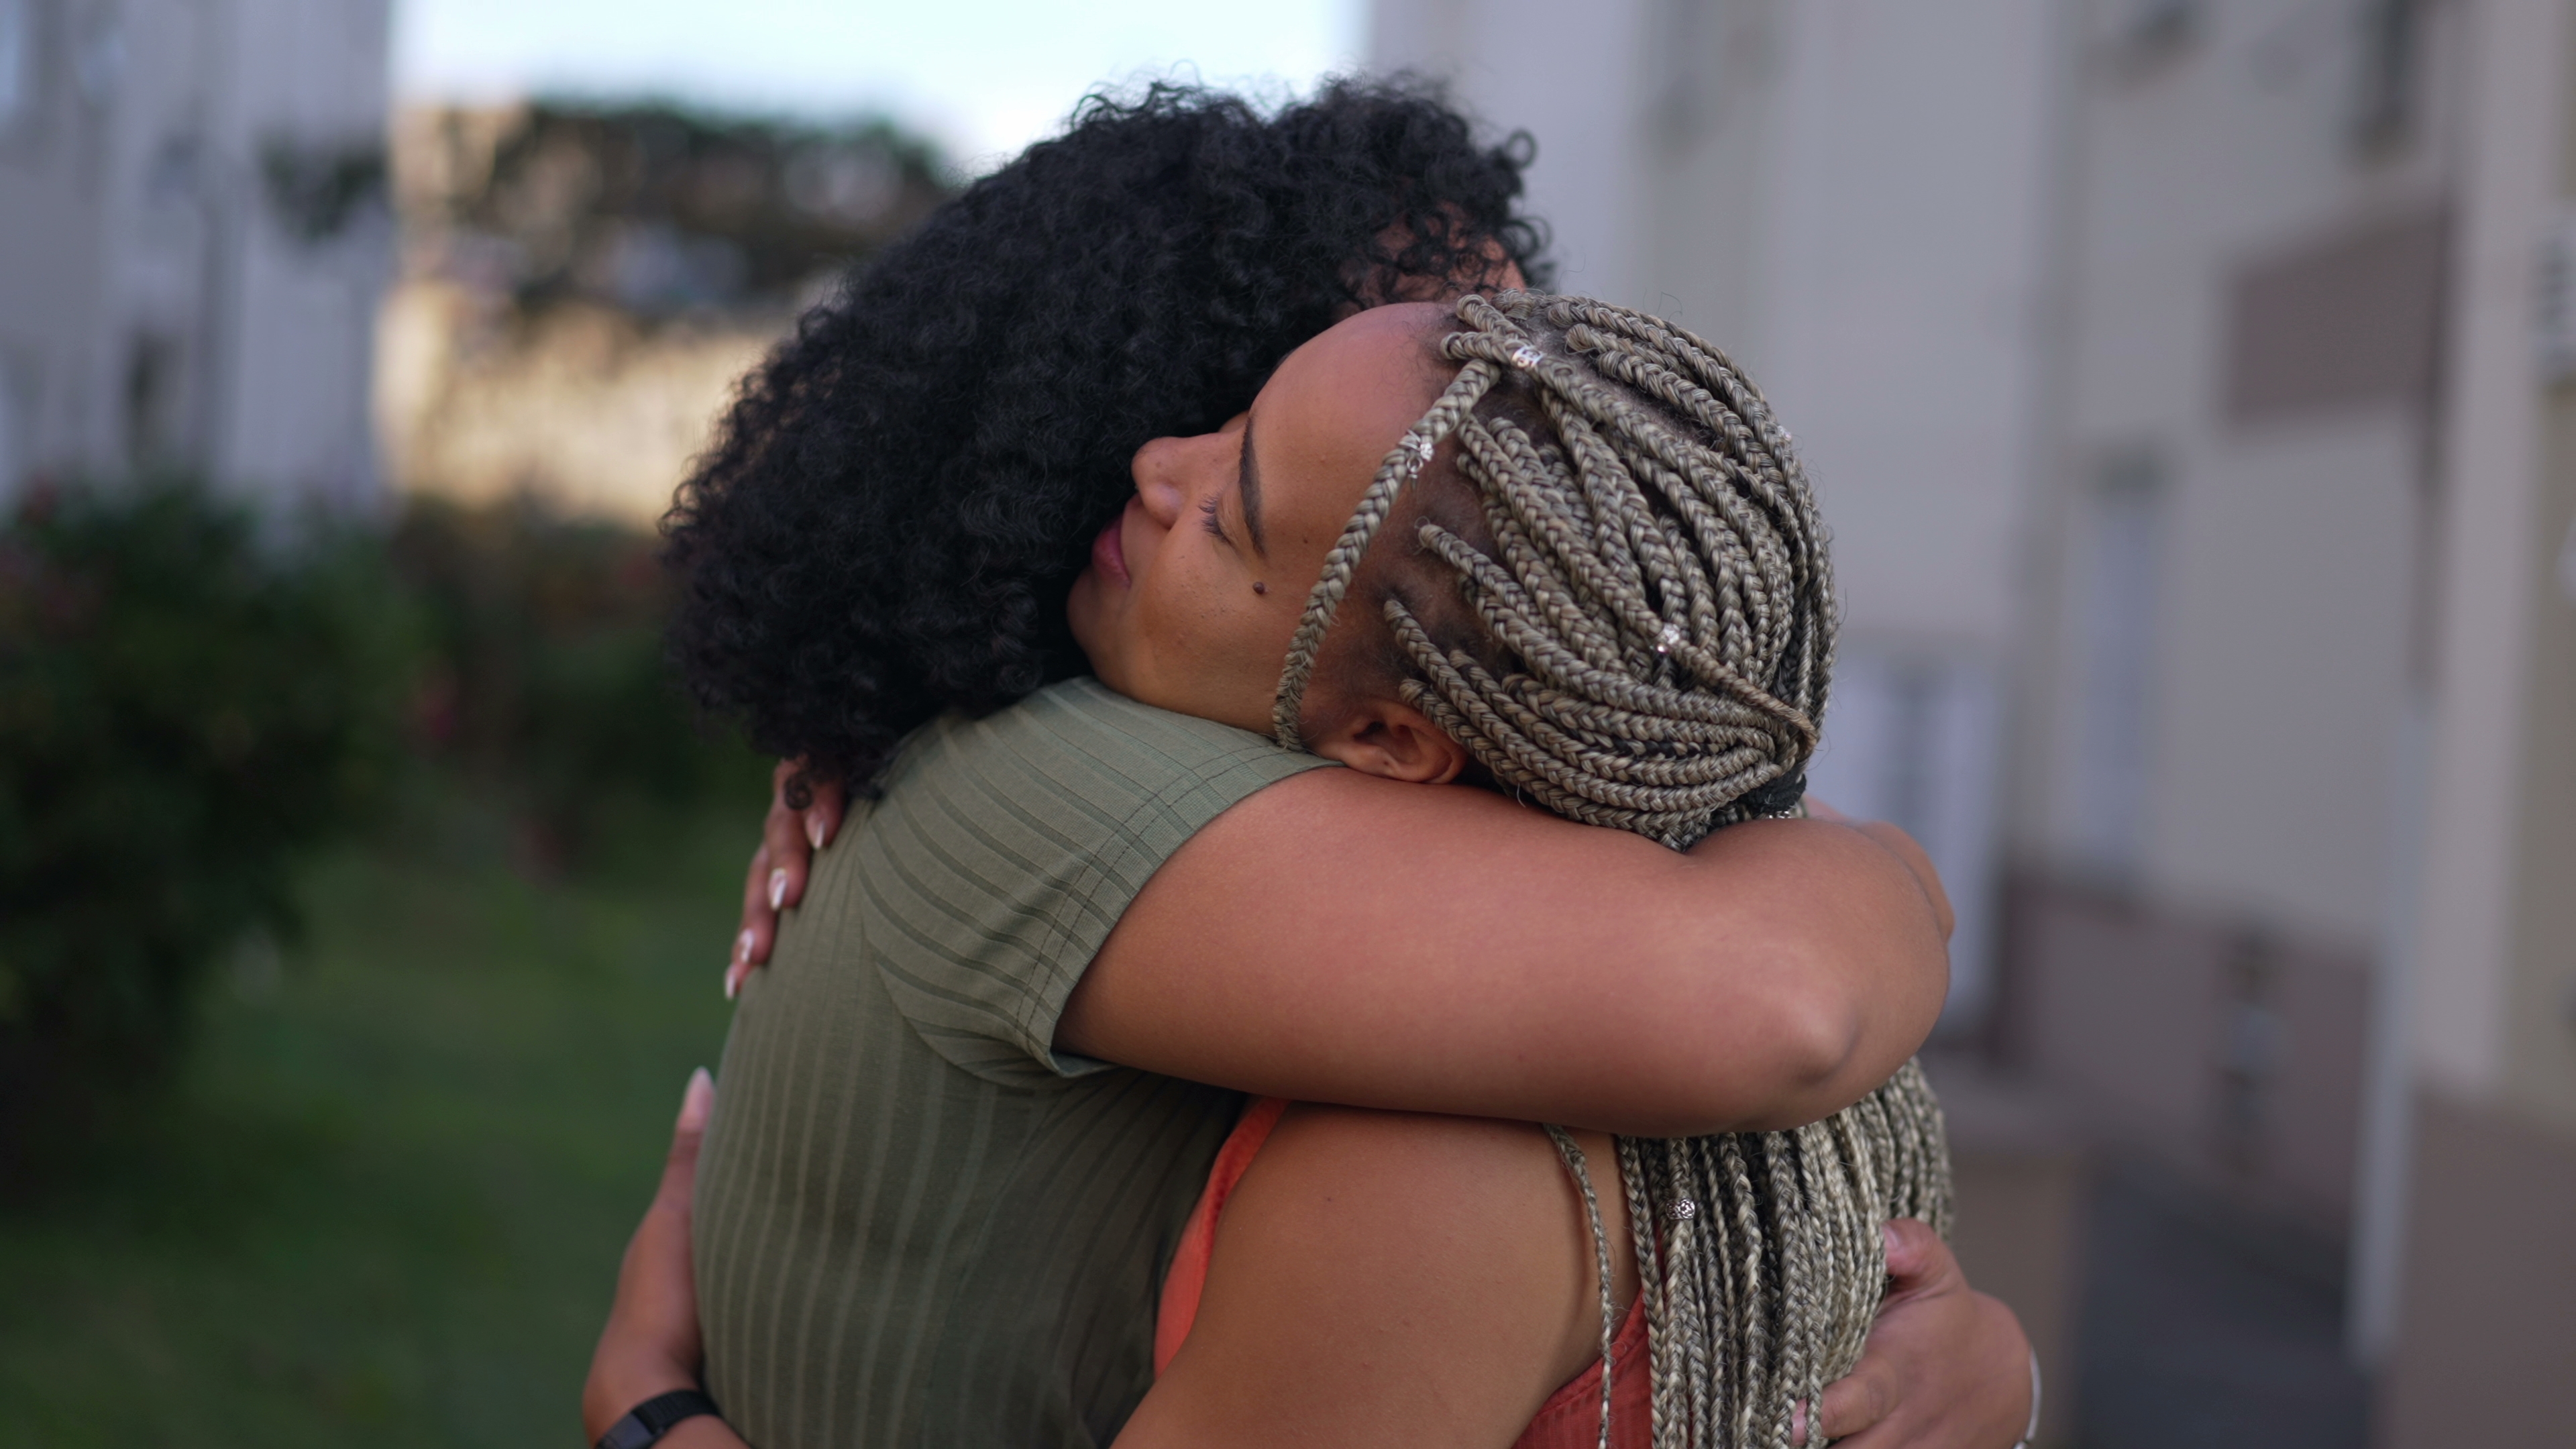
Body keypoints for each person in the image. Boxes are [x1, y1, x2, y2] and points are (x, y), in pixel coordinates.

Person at [590, 83, 2030, 1449]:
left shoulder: (1478, 1002)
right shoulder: (1071, 800)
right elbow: (1780, 996)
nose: (1534, 416)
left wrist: (1994, 1372)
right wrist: (1886, 869)